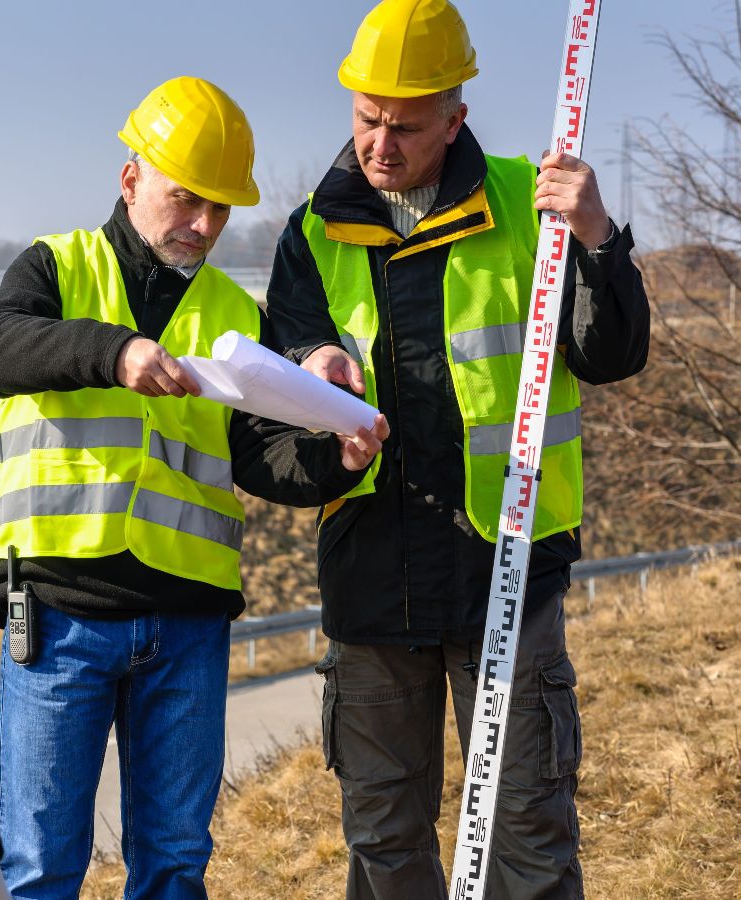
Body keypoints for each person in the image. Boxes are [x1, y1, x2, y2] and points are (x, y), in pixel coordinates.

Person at [264, 2, 650, 898]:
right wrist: (309, 365)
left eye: (404, 126)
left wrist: (598, 238)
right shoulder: (310, 233)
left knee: (529, 835)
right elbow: (282, 390)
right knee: (384, 842)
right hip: (370, 580)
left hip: (505, 570)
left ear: (454, 119)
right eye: (367, 119)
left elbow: (610, 355)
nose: (380, 144)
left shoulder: (529, 201)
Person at [0, 76, 386, 899]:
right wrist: (115, 352)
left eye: (219, 209)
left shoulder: (234, 312)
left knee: (174, 868)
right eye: (186, 199)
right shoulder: (57, 266)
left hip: (188, 623)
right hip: (59, 614)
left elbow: (259, 455)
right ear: (131, 180)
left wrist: (336, 461)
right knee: (42, 869)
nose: (203, 225)